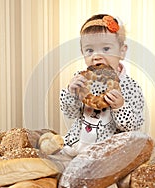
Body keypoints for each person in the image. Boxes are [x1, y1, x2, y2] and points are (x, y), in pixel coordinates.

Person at [59, 14, 145, 157]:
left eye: (106, 49)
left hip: (110, 152)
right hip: (78, 146)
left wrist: (120, 107)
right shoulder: (82, 81)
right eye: (90, 50)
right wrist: (70, 92)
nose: (96, 56)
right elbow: (70, 113)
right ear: (83, 53)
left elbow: (134, 127)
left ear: (121, 52)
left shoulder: (130, 87)